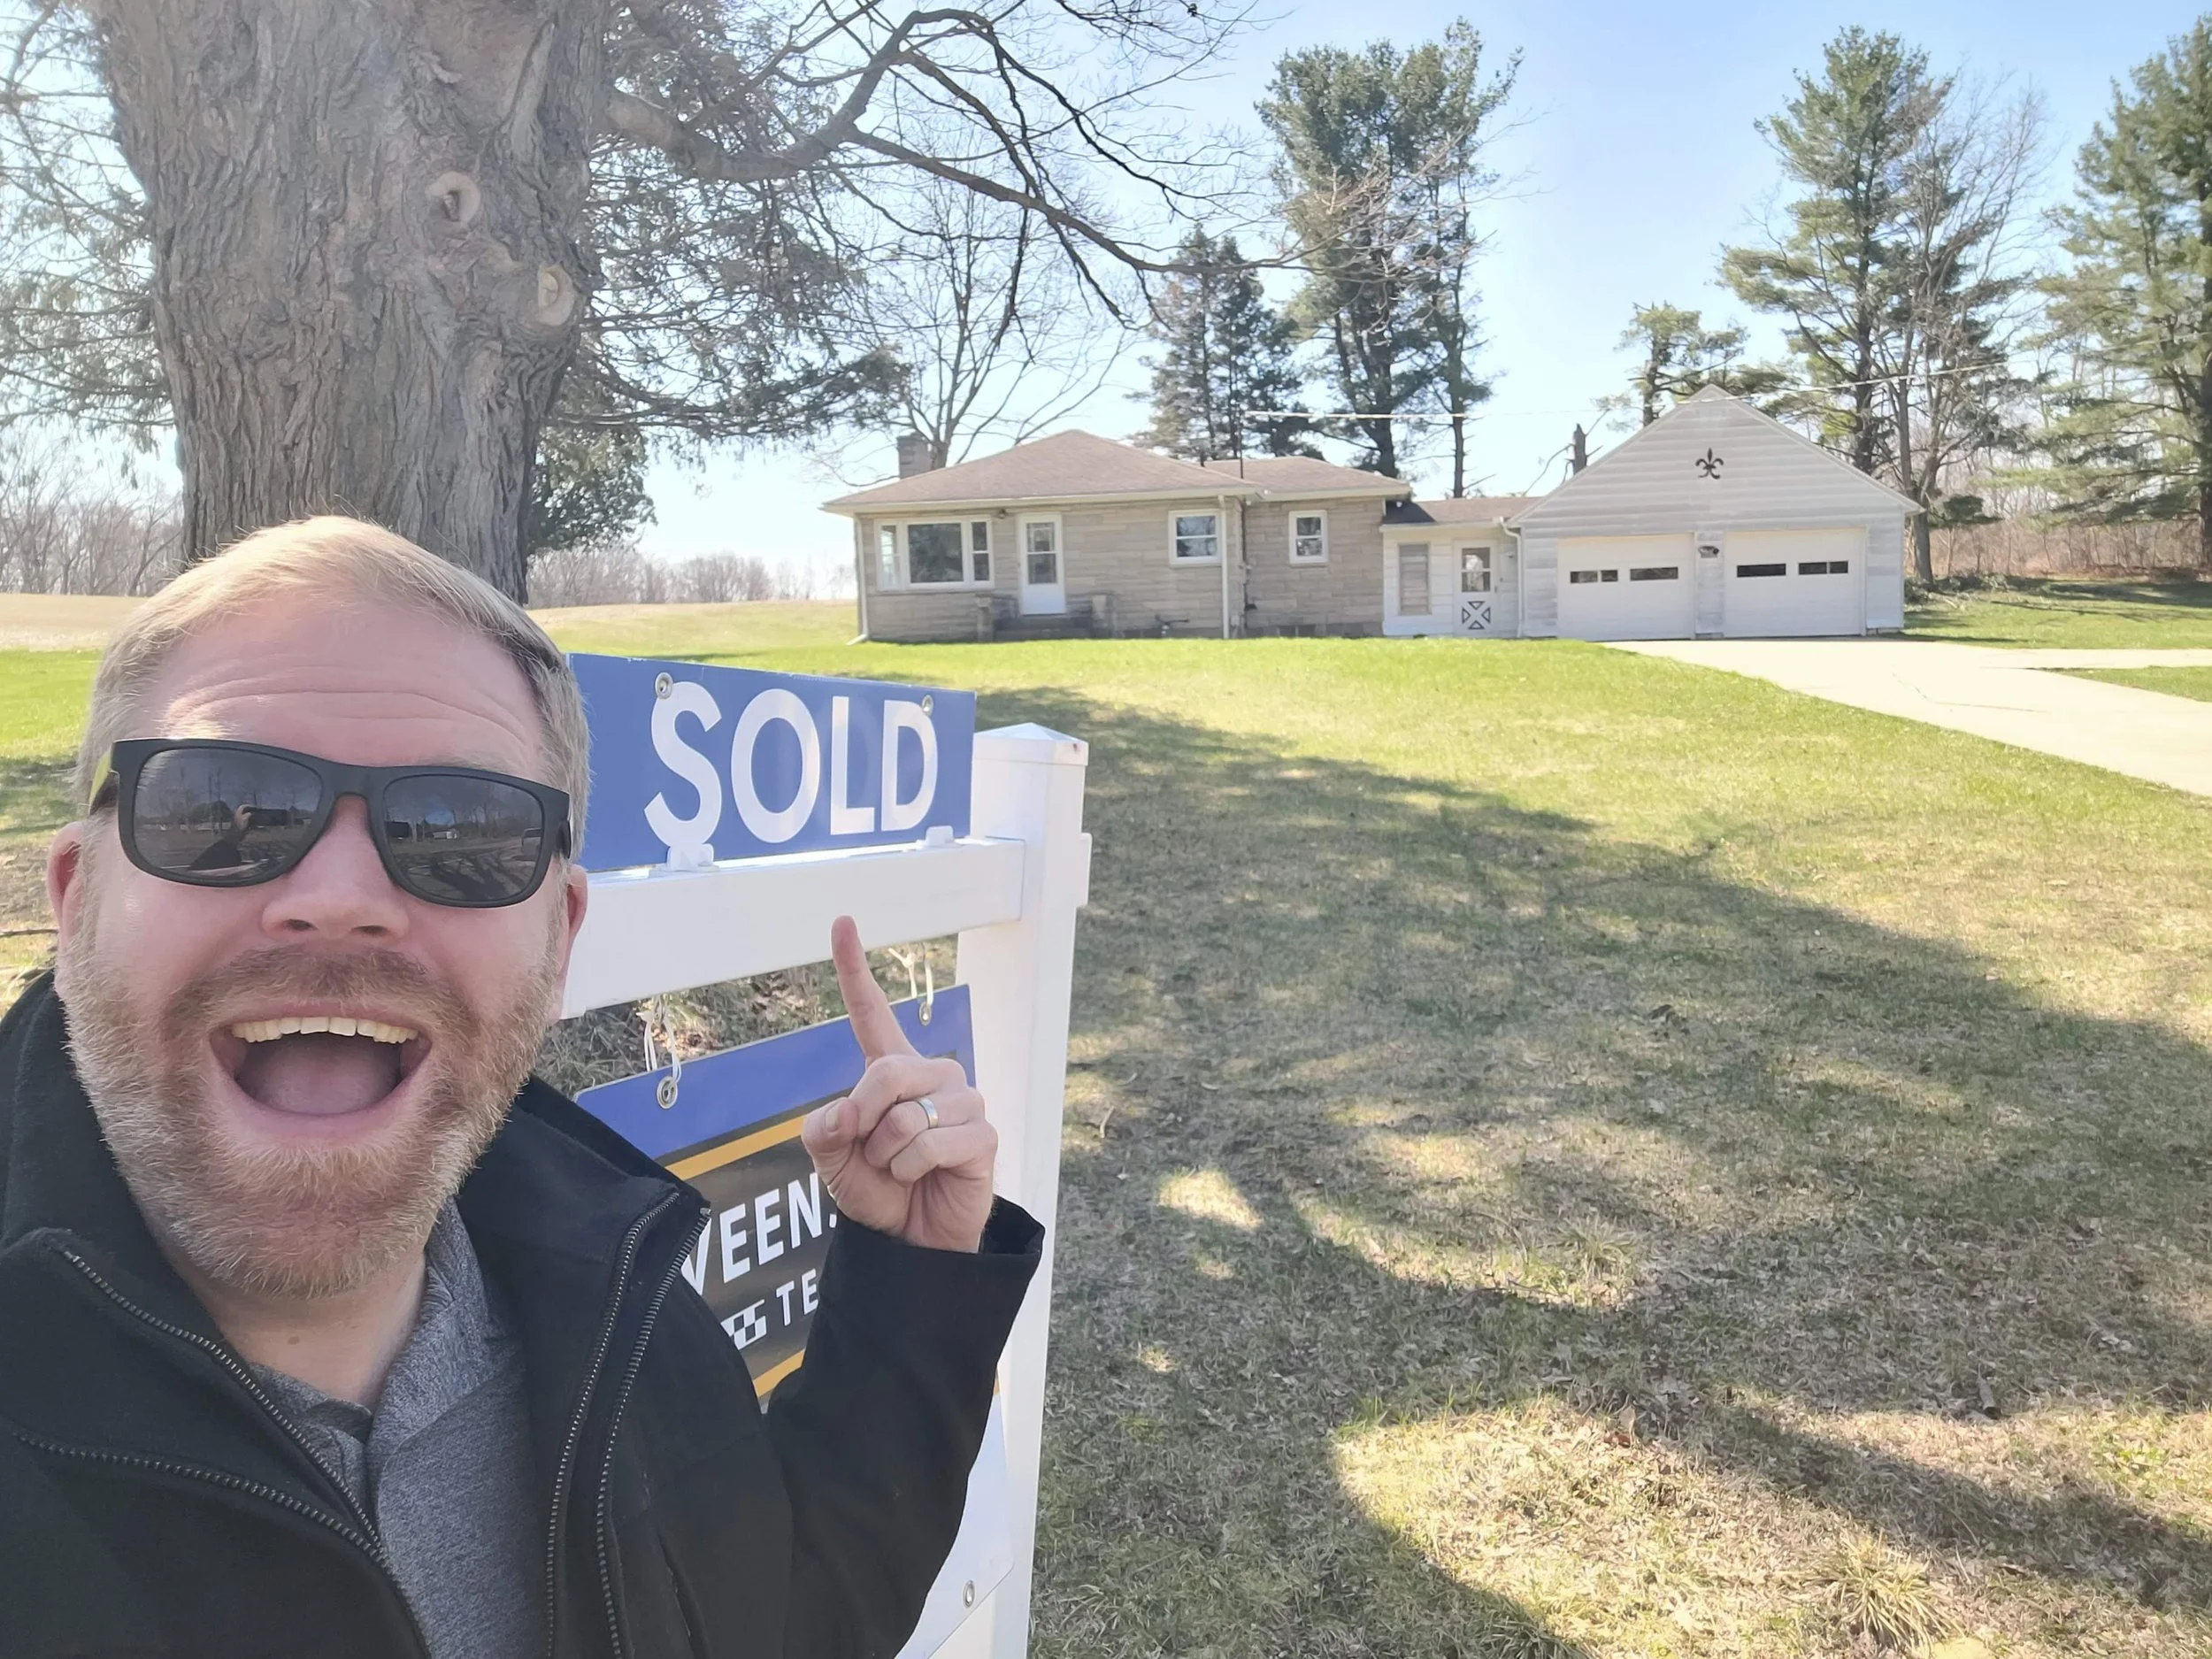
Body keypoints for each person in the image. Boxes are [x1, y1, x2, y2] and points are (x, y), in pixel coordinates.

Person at [0, 517, 1042, 1659]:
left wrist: (912, 1280)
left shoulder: (613, 1293)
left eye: (462, 831)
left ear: (561, 938)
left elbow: (774, 1616)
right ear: (76, 893)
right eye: (221, 810)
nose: (341, 895)